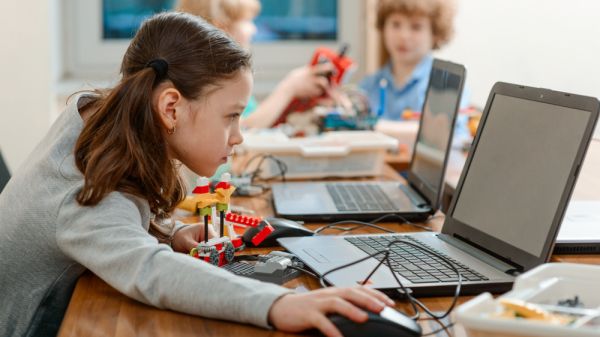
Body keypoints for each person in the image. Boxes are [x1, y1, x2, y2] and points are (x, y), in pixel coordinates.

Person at [0, 12, 394, 337]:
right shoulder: (86, 185)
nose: (239, 136)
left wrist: (167, 232)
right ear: (171, 107)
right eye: (231, 117)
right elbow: (150, 271)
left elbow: (116, 220)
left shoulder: (97, 120)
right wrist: (278, 304)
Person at [176, 0, 333, 129]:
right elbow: (240, 131)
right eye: (247, 21)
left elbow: (255, 120)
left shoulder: (229, 74)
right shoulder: (206, 81)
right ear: (220, 29)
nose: (254, 30)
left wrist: (297, 102)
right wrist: (288, 88)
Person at [360, 0, 465, 120]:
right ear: (383, 27)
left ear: (435, 34)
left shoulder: (446, 86)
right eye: (396, 24)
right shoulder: (368, 86)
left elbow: (451, 134)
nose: (403, 36)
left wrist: (372, 128)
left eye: (416, 27)